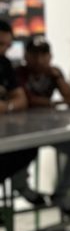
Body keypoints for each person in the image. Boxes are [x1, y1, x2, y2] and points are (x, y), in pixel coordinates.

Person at [12, 36, 70, 214]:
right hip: (20, 129)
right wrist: (55, 103)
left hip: (47, 127)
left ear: (50, 56)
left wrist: (58, 78)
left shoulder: (53, 72)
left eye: (44, 55)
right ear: (26, 56)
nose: (39, 60)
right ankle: (23, 188)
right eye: (34, 55)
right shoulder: (18, 73)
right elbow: (26, 99)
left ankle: (62, 193)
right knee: (18, 153)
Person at [0, 20, 34, 186]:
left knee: (29, 147)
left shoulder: (4, 63)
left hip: (5, 132)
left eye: (8, 45)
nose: (4, 50)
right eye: (0, 44)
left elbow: (21, 99)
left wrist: (7, 106)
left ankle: (20, 186)